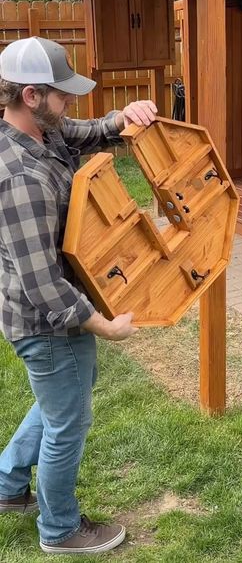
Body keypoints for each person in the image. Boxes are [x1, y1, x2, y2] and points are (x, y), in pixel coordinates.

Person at [0, 36, 157, 554]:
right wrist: (101, 323)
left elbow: (84, 131)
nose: (70, 104)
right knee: (69, 422)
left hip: (48, 314)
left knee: (60, 401)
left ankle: (6, 486)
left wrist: (122, 118)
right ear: (30, 96)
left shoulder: (43, 131)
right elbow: (41, 282)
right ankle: (60, 529)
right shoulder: (19, 176)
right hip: (47, 323)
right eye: (61, 95)